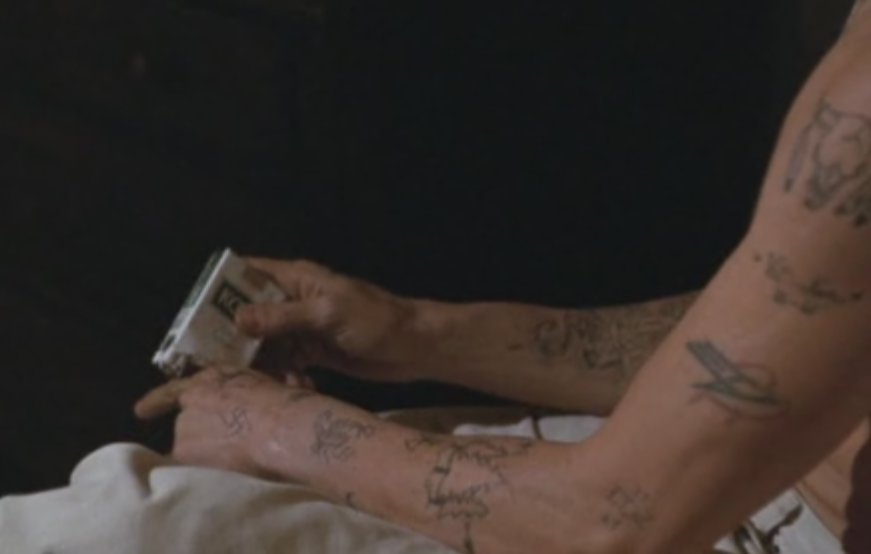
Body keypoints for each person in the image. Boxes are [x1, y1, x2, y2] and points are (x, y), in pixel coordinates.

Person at [135, 4, 871, 553]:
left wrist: (270, 430)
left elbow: (611, 525)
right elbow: (770, 355)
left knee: (131, 521)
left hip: (709, 524)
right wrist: (418, 332)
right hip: (730, 491)